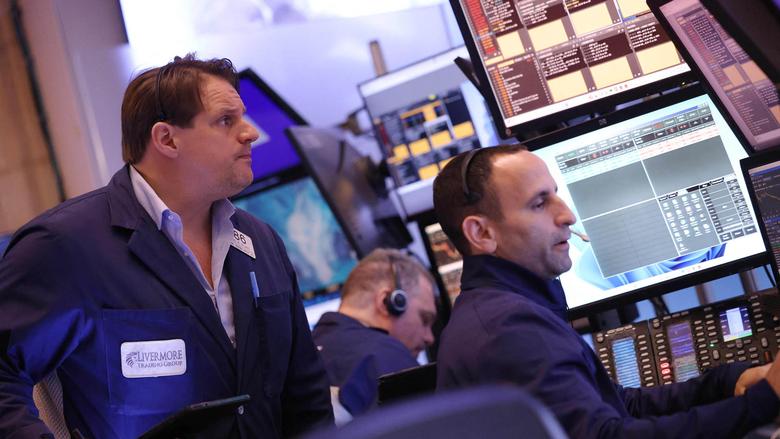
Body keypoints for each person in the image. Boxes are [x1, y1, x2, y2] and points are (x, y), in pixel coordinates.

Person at [0, 55, 333, 438]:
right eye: (226, 121)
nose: (250, 133)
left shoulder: (262, 242)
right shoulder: (66, 246)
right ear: (167, 139)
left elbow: (306, 395)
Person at [433, 144, 780, 438]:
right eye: (539, 204)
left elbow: (621, 405)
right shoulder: (508, 329)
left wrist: (727, 382)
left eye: (556, 195)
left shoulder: (506, 310)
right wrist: (764, 401)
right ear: (481, 233)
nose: (567, 216)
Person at [312, 248, 437, 415]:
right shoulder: (387, 358)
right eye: (425, 319)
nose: (429, 338)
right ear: (388, 302)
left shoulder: (305, 353)